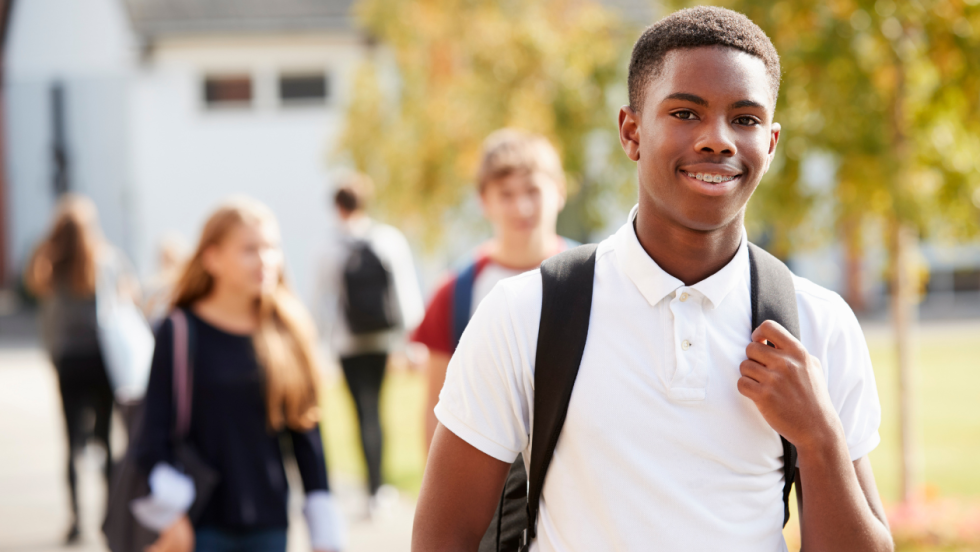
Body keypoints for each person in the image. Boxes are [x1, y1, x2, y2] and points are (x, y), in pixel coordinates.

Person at [413, 7, 894, 552]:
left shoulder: (817, 323)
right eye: (686, 113)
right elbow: (442, 536)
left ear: (772, 142)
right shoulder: (528, 312)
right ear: (631, 131)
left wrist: (820, 437)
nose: (718, 139)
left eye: (745, 118)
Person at [135, 198, 345, 552]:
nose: (265, 259)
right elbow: (152, 436)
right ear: (212, 258)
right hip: (199, 524)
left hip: (270, 524)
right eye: (250, 249)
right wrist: (172, 516)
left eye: (272, 247)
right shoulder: (179, 331)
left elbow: (306, 433)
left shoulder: (287, 330)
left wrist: (324, 531)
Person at [411, 128, 572, 451]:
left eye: (532, 191)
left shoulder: (598, 279)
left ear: (559, 191)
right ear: (483, 201)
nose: (522, 207)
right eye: (506, 194)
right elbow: (436, 406)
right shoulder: (455, 292)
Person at [24, 194, 139, 544]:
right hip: (103, 359)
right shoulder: (106, 259)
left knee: (72, 441)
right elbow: (130, 293)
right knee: (106, 439)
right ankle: (109, 515)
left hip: (68, 360)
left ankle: (76, 519)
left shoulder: (50, 263)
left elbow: (34, 292)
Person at [314, 173, 425, 513]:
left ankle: (370, 488)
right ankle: (379, 488)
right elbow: (406, 294)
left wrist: (320, 345)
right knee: (378, 409)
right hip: (382, 339)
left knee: (360, 412)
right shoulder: (388, 239)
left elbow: (321, 301)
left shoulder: (328, 246)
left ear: (337, 206)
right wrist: (410, 342)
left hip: (348, 342)